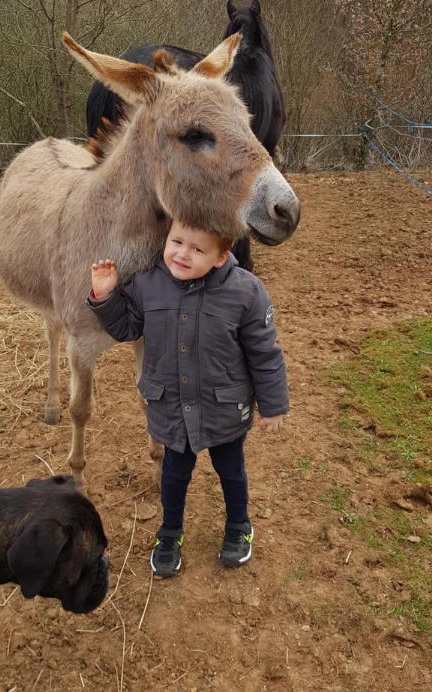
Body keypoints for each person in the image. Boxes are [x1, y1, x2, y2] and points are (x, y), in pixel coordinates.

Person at [86, 219, 289, 578]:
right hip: (171, 407)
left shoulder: (246, 292)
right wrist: (105, 297)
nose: (182, 254)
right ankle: (170, 533)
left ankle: (239, 525)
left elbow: (265, 353)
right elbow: (126, 327)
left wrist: (273, 405)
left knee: (231, 471)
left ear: (222, 255)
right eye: (177, 242)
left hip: (223, 408)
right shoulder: (148, 283)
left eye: (198, 249)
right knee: (174, 475)